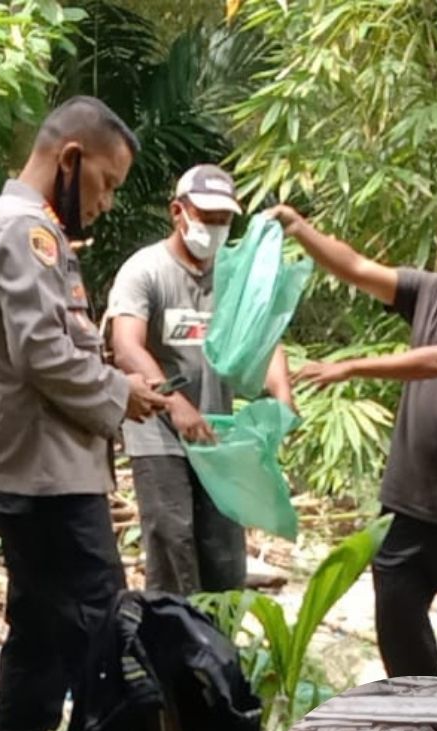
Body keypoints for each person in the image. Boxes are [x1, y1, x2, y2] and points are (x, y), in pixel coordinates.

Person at [0, 96, 168, 731]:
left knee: (40, 634)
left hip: (40, 472)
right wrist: (123, 395)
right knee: (100, 635)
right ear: (70, 158)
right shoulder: (24, 231)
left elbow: (57, 346)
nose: (107, 204)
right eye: (106, 183)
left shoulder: (29, 230)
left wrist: (113, 380)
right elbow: (43, 355)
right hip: (45, 481)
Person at [268, 199, 437, 698]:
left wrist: (351, 367)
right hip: (407, 512)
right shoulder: (431, 291)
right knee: (400, 641)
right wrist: (298, 227)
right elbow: (355, 267)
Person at [105, 164, 294, 595]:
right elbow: (127, 346)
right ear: (178, 211)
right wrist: (174, 401)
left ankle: (219, 649)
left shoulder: (234, 275)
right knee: (172, 541)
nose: (213, 228)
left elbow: (264, 334)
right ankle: (173, 651)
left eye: (223, 221)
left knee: (224, 550)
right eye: (205, 218)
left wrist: (281, 396)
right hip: (158, 434)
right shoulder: (146, 270)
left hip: (217, 434)